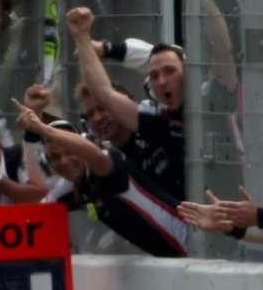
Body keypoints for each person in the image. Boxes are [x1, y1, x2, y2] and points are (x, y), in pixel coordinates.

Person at [13, 103, 189, 257]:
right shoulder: (70, 187)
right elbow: (32, 222)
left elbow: (95, 156)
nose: (64, 161)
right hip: (171, 262)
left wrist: (43, 129)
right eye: (56, 157)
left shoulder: (107, 163)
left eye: (69, 151)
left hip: (190, 246)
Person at [66, 7, 187, 210]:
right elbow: (103, 92)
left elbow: (167, 56)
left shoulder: (207, 101)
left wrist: (106, 49)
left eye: (170, 72)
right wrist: (81, 37)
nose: (162, 81)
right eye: (154, 76)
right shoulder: (159, 121)